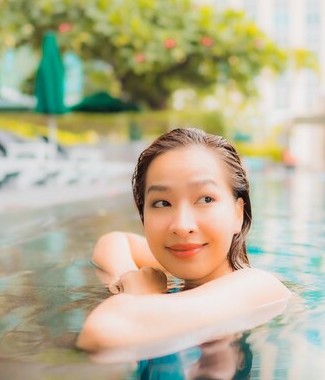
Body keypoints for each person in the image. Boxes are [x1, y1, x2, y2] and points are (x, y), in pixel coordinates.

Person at [77, 128, 291, 352]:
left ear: (237, 214)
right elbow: (113, 242)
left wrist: (142, 296)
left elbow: (100, 334)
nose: (181, 226)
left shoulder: (257, 287)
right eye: (161, 203)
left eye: (205, 199)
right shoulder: (185, 269)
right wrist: (129, 277)